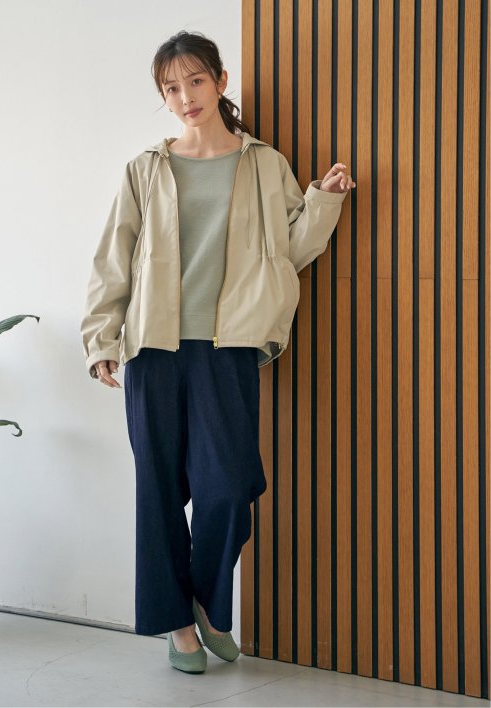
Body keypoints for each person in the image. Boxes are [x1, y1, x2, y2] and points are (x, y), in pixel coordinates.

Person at [81, 30, 355, 674]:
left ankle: (202, 601)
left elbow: (289, 249)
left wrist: (324, 201)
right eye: (171, 88)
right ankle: (178, 625)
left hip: (228, 345)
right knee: (158, 489)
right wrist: (101, 339)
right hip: (153, 347)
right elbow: (113, 258)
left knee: (229, 486)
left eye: (196, 81)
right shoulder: (146, 169)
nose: (185, 97)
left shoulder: (263, 163)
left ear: (221, 80)